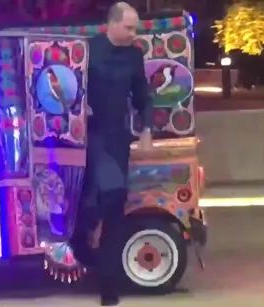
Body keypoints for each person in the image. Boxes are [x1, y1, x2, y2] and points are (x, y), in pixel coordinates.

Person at [70, 2, 149, 306]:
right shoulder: (88, 51)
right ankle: (81, 238)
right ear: (112, 25)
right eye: (129, 28)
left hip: (118, 138)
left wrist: (146, 130)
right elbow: (70, 90)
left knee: (115, 207)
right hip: (90, 136)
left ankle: (108, 282)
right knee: (107, 195)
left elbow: (142, 94)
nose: (133, 33)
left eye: (135, 28)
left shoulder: (134, 55)